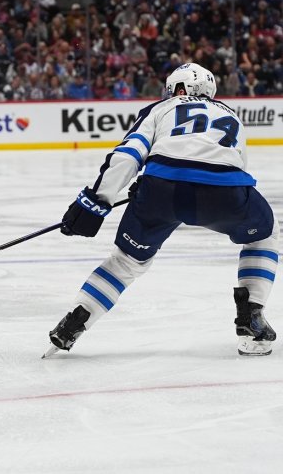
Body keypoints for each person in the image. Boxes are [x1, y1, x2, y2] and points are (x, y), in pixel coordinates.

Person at [45, 63, 278, 358]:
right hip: (224, 192)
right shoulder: (231, 114)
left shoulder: (161, 109)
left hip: (162, 191)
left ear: (179, 89)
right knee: (265, 236)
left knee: (126, 262)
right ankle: (251, 320)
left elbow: (127, 155)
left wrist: (96, 202)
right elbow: (234, 165)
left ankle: (74, 322)